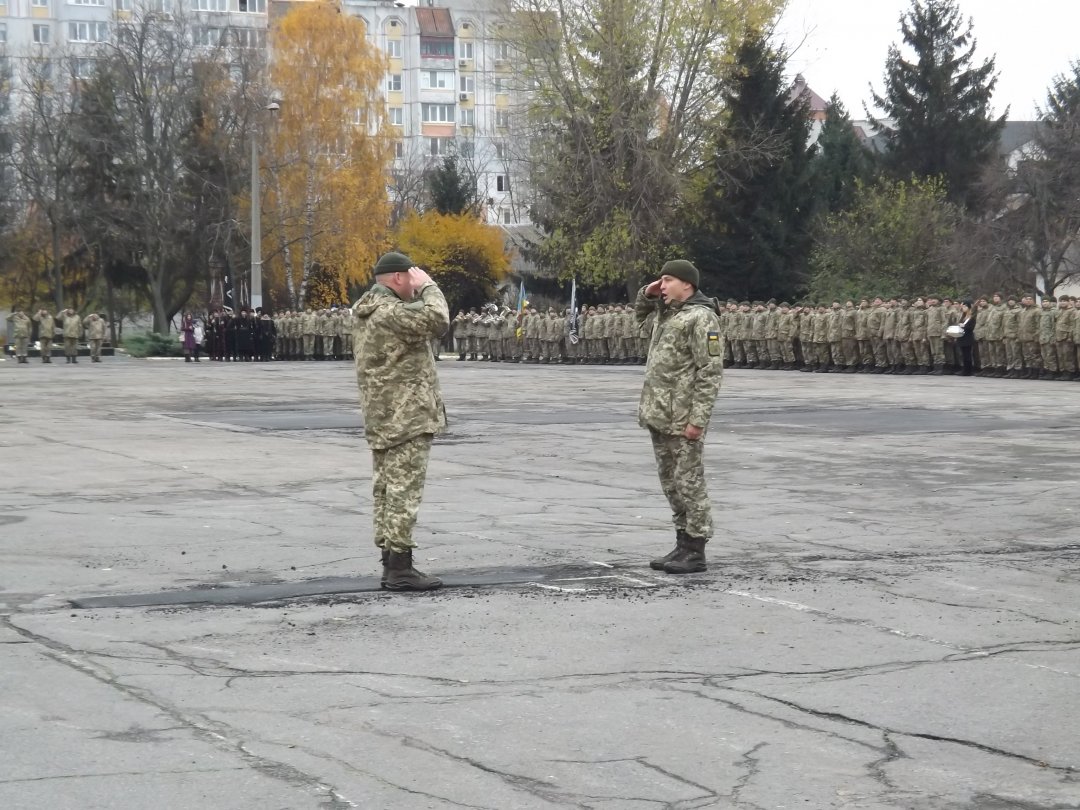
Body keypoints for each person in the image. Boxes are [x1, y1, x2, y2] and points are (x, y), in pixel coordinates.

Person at [353, 252, 449, 592]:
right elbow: (438, 319)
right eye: (411, 277)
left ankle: (391, 562)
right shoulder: (390, 312)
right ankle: (400, 568)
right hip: (405, 416)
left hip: (384, 416)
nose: (415, 283)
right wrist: (429, 286)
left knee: (386, 490)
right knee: (403, 492)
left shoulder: (367, 310)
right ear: (397, 279)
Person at [634, 259, 724, 575]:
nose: (663, 286)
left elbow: (710, 372)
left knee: (689, 484)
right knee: (672, 484)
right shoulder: (669, 315)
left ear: (687, 284)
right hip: (660, 415)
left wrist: (697, 420)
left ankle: (696, 549)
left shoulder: (702, 318)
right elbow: (638, 318)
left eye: (668, 280)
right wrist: (647, 293)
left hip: (683, 417)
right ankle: (682, 542)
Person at [957, 299, 977, 376]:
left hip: (968, 338)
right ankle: (964, 369)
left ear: (968, 307)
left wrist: (964, 326)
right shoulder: (962, 315)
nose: (963, 308)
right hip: (961, 337)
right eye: (963, 306)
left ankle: (969, 370)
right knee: (963, 354)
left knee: (968, 355)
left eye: (965, 306)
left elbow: (971, 327)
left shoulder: (971, 316)